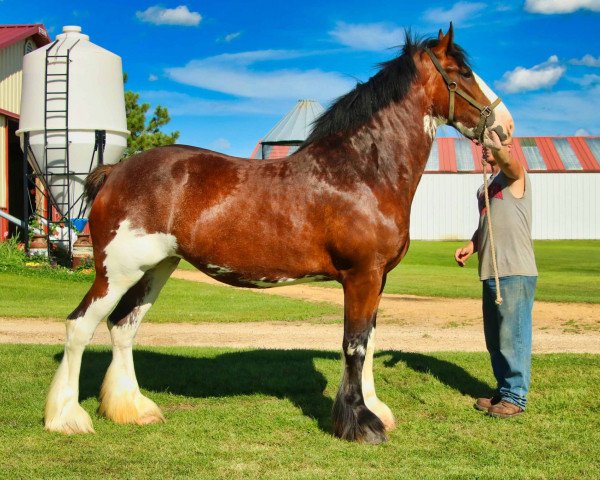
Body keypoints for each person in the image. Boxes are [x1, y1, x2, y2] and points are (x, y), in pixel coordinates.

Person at [454, 143, 537, 418]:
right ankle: (503, 391)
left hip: (514, 270)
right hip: (490, 271)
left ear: (508, 148)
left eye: (494, 147)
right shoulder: (486, 186)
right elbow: (486, 224)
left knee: (513, 336)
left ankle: (516, 396)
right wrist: (471, 244)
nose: (486, 149)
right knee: (495, 338)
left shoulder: (515, 176)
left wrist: (496, 143)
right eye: (484, 146)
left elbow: (508, 160)